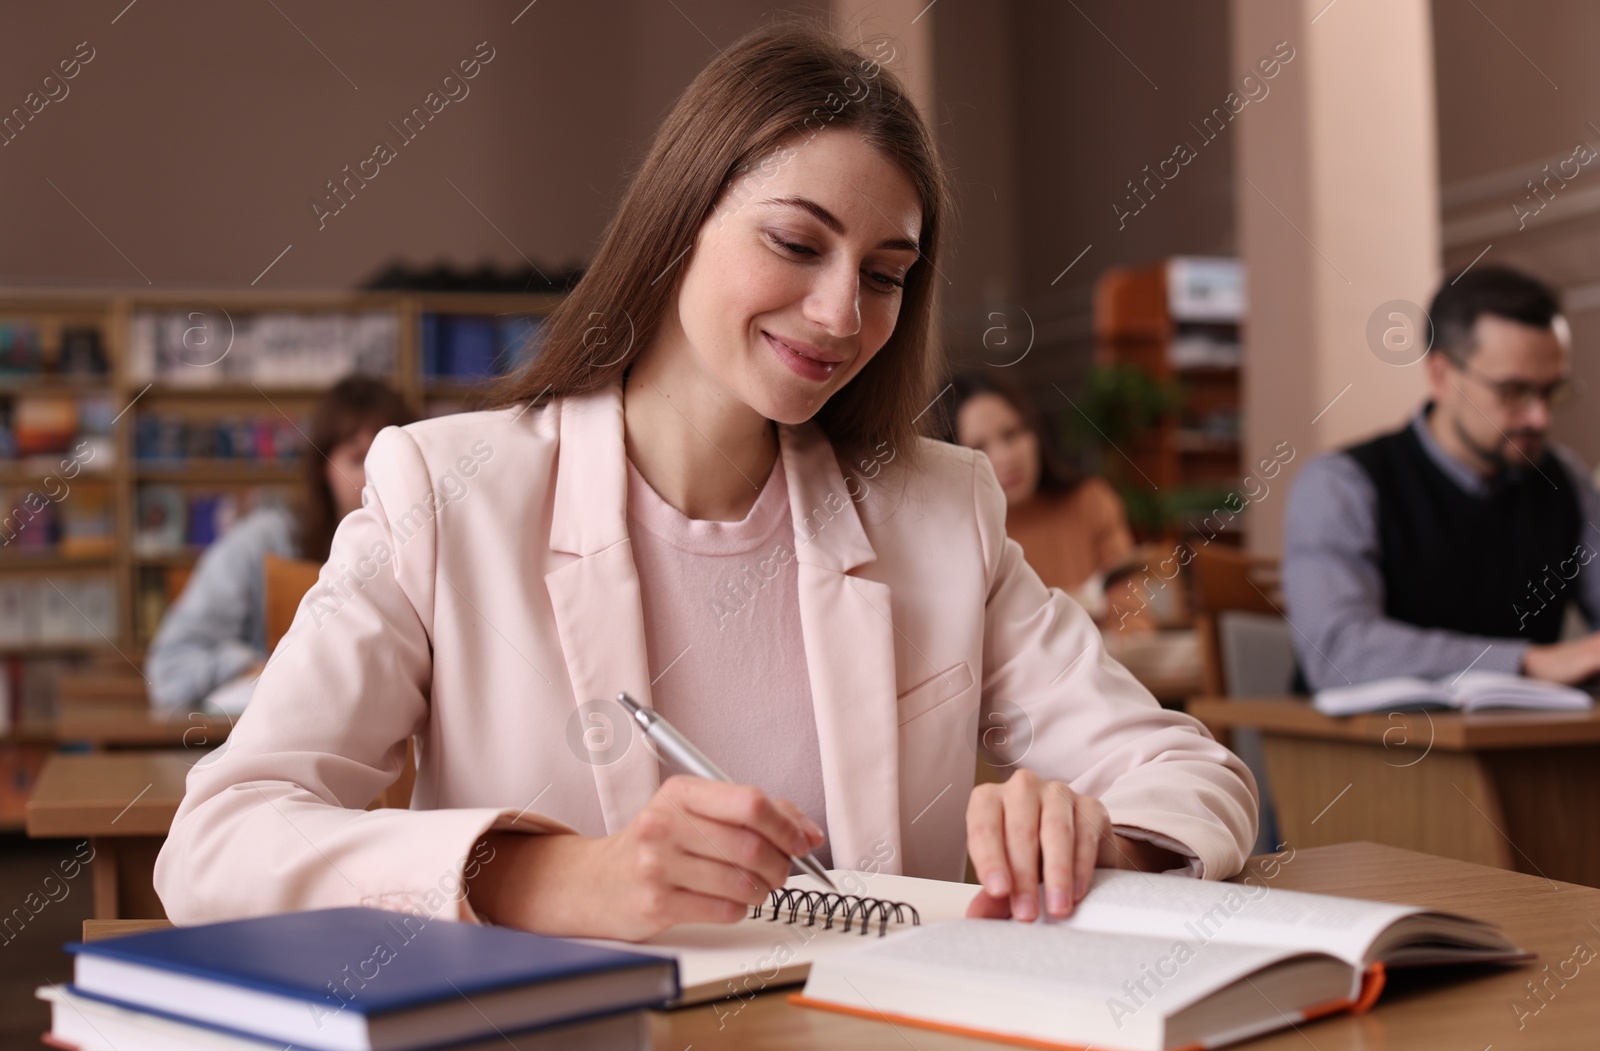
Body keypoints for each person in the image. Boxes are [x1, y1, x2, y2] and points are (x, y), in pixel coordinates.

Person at [155, 21, 1256, 941]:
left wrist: (1095, 833)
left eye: (884, 276)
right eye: (794, 242)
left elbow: (1182, 769)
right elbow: (218, 841)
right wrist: (549, 877)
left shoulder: (939, 509)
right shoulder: (446, 490)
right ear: (679, 223)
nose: (839, 314)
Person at [1284, 265, 1600, 692]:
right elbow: (1340, 650)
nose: (1539, 416)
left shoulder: (1568, 482)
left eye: (1550, 392)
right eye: (1513, 392)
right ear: (1441, 377)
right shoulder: (1342, 484)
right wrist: (1529, 662)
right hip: (1359, 752)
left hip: (1519, 745)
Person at [144, 375, 416, 708]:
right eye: (358, 460)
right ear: (322, 469)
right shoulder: (264, 543)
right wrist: (252, 668)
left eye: (388, 461)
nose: (376, 477)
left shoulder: (422, 552)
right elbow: (167, 670)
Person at [945, 371, 1143, 625]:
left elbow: (1134, 617)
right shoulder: (956, 539)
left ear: (1034, 432)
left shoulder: (1090, 501)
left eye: (1011, 434)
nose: (1006, 457)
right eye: (979, 449)